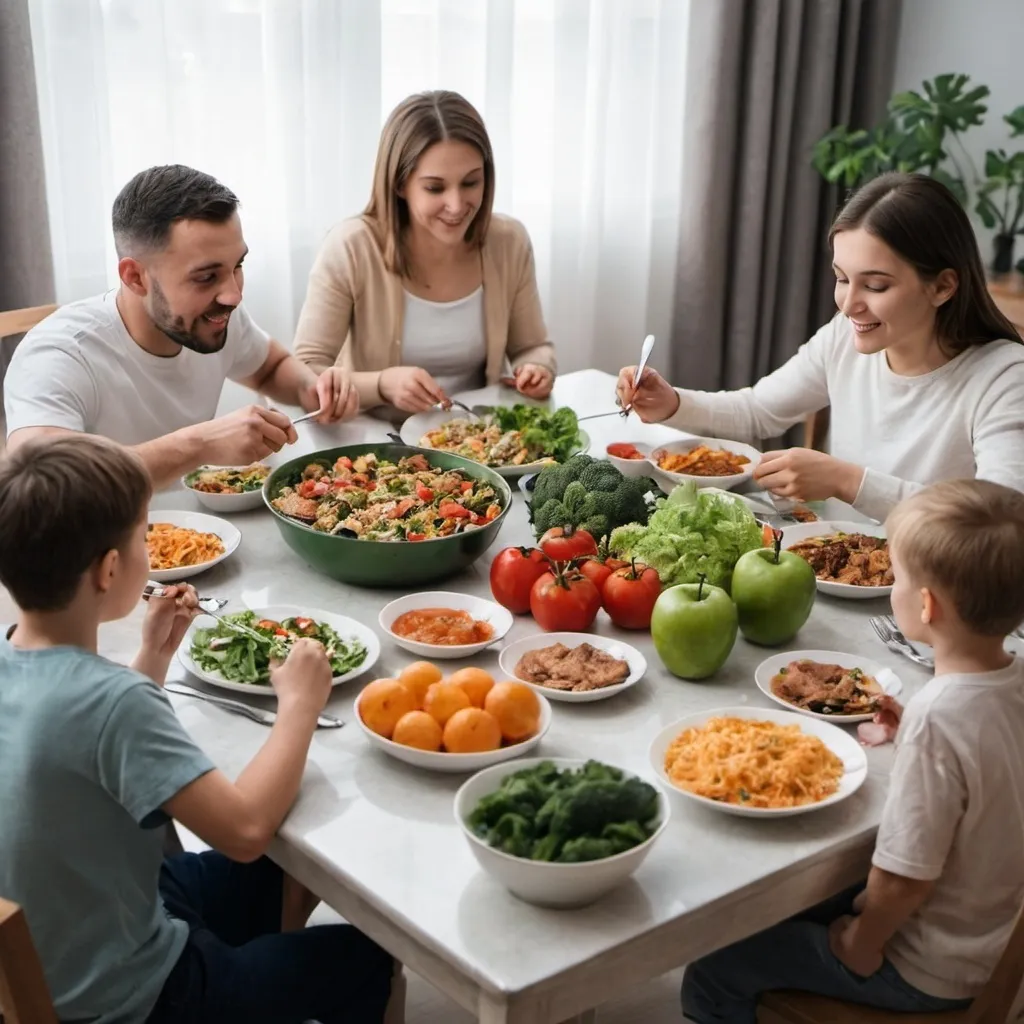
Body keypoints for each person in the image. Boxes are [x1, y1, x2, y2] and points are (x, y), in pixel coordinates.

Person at [0, 434, 395, 1023]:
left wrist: (152, 659)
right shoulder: (117, 703)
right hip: (137, 1000)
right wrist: (300, 705)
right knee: (369, 955)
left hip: (75, 937)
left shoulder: (15, 659)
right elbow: (245, 830)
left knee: (273, 873)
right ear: (111, 570)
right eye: (142, 536)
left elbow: (80, 743)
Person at [681, 478, 1024, 1023]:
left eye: (900, 575)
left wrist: (860, 943)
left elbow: (905, 875)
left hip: (921, 967)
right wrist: (914, 726)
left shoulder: (941, 715)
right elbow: (989, 760)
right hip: (988, 936)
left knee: (714, 964)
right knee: (789, 903)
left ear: (927, 605)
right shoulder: (1007, 683)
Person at [616, 173, 1024, 523]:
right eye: (842, 278)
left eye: (876, 285)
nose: (848, 304)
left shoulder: (1004, 378)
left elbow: (1002, 519)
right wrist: (672, 403)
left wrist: (848, 482)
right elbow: (758, 411)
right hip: (835, 568)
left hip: (940, 594)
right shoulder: (843, 337)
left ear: (942, 286)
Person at [3, 164, 360, 491]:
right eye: (206, 277)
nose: (234, 295)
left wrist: (312, 389)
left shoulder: (214, 315)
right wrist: (198, 445)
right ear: (135, 276)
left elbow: (269, 368)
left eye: (238, 265)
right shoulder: (59, 354)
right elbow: (40, 488)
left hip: (200, 534)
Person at [293, 90, 556, 416]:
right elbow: (304, 374)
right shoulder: (351, 247)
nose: (457, 205)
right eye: (435, 188)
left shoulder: (508, 241)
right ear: (399, 184)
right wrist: (382, 385)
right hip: (375, 446)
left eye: (471, 182)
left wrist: (536, 368)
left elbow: (532, 347)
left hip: (475, 443)